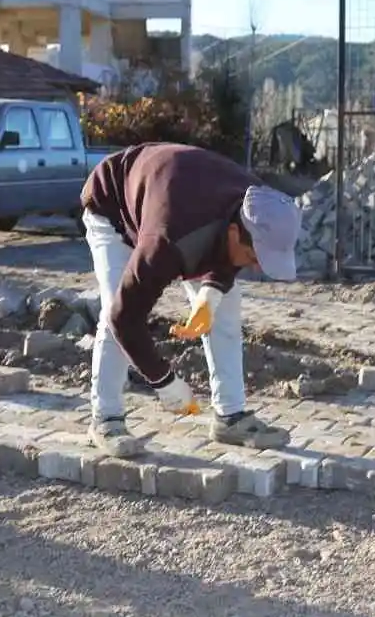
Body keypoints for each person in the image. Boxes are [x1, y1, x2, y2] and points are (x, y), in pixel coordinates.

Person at [80, 142, 301, 456]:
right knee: (114, 308)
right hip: (113, 205)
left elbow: (229, 249)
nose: (255, 266)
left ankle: (230, 417)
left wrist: (210, 294)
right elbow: (123, 317)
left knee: (225, 308)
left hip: (174, 192)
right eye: (254, 256)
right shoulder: (169, 238)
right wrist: (164, 381)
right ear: (236, 233)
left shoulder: (260, 204)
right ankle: (106, 418)